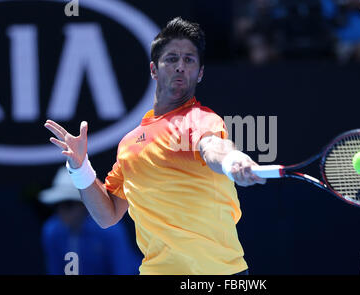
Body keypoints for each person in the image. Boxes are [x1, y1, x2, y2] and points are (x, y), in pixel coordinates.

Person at [44, 17, 266, 275]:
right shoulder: (129, 145)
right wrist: (80, 169)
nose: (180, 67)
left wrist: (231, 161)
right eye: (172, 59)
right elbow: (107, 216)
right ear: (154, 69)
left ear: (200, 73)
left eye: (189, 60)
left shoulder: (201, 120)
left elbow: (213, 147)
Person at [39, 167, 142, 275]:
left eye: (68, 204)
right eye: (57, 205)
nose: (62, 211)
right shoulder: (51, 231)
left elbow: (123, 270)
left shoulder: (109, 230)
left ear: (85, 205)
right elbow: (55, 270)